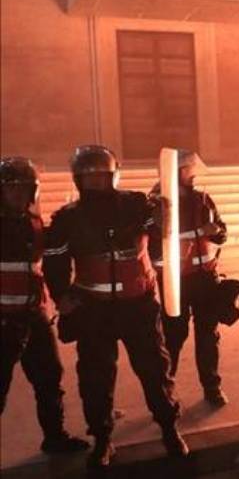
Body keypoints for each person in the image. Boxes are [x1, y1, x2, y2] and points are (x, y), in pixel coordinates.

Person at [43, 145, 187, 469]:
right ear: (78, 180)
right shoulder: (68, 219)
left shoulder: (136, 205)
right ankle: (103, 439)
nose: (95, 183)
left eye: (102, 177)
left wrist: (165, 212)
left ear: (114, 176)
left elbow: (161, 227)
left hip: (138, 307)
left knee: (155, 372)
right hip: (93, 311)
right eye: (88, 178)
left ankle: (169, 428)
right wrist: (61, 295)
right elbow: (54, 262)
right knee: (95, 378)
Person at [1, 157, 90, 454]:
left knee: (50, 379)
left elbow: (45, 266)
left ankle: (55, 437)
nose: (19, 195)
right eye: (12, 189)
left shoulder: (35, 224)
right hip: (2, 322)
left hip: (34, 317)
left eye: (25, 189)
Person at [150, 150, 230, 406]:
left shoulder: (203, 199)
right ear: (175, 172)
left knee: (208, 335)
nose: (193, 175)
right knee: (173, 335)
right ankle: (165, 389)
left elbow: (221, 231)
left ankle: (212, 387)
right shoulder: (157, 204)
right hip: (175, 281)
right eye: (188, 170)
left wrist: (217, 231)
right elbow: (152, 241)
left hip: (205, 278)